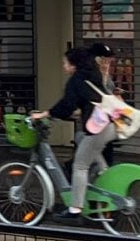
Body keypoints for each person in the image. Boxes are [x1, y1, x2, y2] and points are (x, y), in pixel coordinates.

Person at [33, 40, 115, 218]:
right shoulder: (93, 75)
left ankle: (75, 208)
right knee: (80, 138)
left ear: (73, 64)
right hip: (109, 125)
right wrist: (77, 114)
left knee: (80, 165)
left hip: (98, 128)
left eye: (65, 63)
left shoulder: (76, 81)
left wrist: (45, 114)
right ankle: (103, 170)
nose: (64, 66)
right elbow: (86, 102)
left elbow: (67, 104)